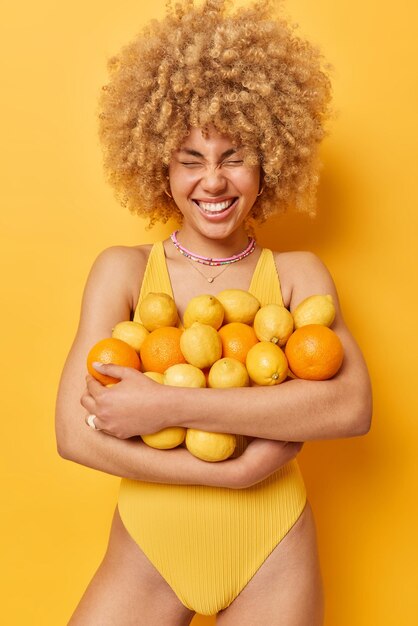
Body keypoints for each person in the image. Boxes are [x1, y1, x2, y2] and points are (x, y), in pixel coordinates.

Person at [55, 1, 372, 624]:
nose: (215, 183)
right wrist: (232, 473)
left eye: (234, 157)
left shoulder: (299, 276)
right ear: (158, 165)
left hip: (274, 550)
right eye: (191, 160)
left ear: (270, 161)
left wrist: (169, 406)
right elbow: (73, 433)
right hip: (148, 549)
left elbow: (351, 406)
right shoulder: (121, 271)